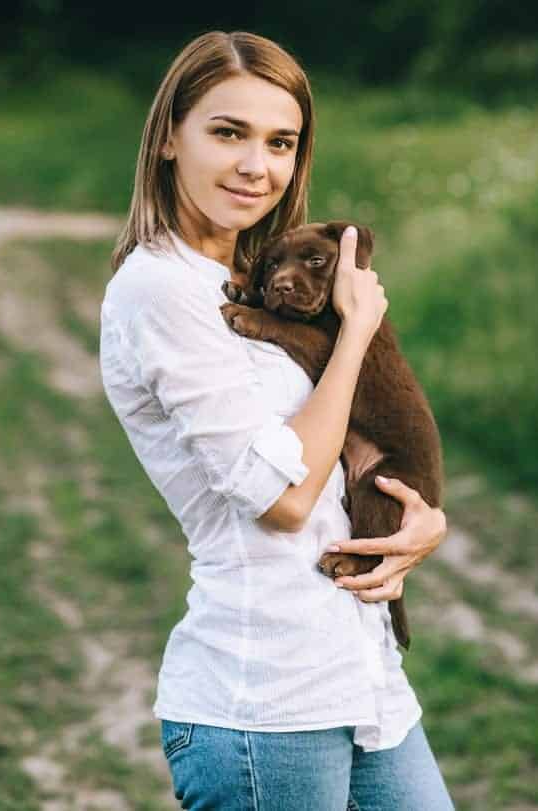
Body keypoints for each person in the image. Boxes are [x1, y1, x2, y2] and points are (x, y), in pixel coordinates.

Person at [100, 30, 455, 811]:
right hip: (265, 702)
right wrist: (356, 330)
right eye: (228, 133)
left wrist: (419, 525)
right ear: (169, 137)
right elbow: (284, 496)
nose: (256, 165)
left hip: (365, 685)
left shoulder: (250, 277)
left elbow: (350, 448)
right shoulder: (160, 290)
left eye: (280, 141)